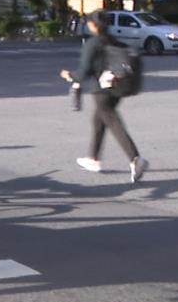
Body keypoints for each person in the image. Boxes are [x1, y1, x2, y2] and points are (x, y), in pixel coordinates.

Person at [60, 10, 148, 182]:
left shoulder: (93, 43)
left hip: (102, 90)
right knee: (98, 120)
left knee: (112, 121)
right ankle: (93, 159)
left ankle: (135, 159)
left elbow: (83, 72)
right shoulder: (113, 40)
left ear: (93, 25)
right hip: (117, 86)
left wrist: (68, 75)